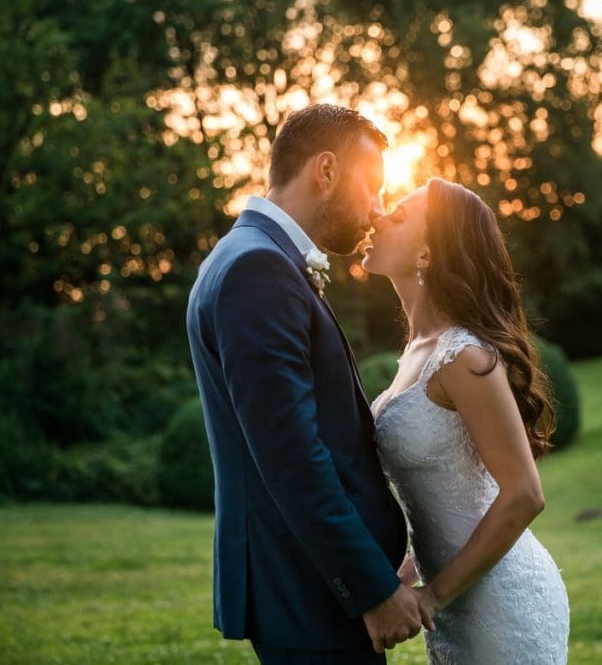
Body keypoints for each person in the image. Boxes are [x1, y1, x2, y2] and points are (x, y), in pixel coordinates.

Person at [185, 104, 434, 664]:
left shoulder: (246, 256)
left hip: (303, 587)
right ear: (326, 171)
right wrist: (369, 587)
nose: (376, 209)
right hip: (309, 594)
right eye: (371, 187)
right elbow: (293, 458)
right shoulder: (259, 271)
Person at [361, 177, 570, 663]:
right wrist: (407, 574)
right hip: (459, 595)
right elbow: (447, 497)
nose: (376, 218)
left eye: (397, 216)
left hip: (501, 602)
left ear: (428, 254)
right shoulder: (417, 350)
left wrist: (432, 597)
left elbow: (524, 495)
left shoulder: (463, 356)